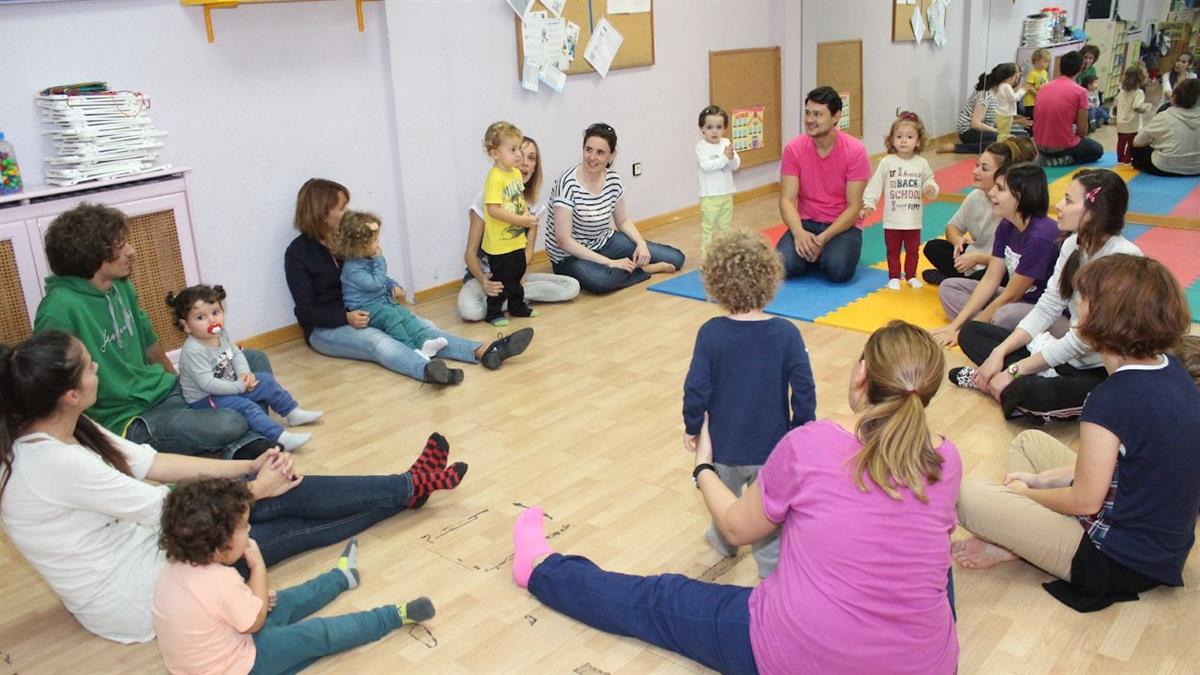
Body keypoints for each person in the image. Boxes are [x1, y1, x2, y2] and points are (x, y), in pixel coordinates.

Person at [512, 320, 960, 675]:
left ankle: (539, 568)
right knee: (931, 553)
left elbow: (734, 527)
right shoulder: (948, 458)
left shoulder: (811, 444)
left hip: (796, 656)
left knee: (659, 599)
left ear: (862, 373)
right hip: (929, 665)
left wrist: (704, 468)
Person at [0, 330, 467, 643]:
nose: (98, 369)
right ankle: (411, 487)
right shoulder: (55, 463)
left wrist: (247, 467)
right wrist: (256, 490)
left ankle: (409, 485)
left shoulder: (64, 428)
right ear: (70, 395)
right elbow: (175, 514)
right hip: (143, 594)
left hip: (150, 546)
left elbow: (155, 463)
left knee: (285, 491)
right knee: (274, 523)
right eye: (89, 367)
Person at [954, 254, 1199, 613]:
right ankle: (1019, 540)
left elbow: (1085, 501)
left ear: (1105, 316)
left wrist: (1027, 495)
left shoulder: (1111, 398)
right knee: (1029, 443)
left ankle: (1017, 541)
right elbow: (1128, 466)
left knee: (965, 495)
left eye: (1082, 300)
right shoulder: (1170, 368)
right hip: (1161, 547)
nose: (1075, 307)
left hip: (1116, 561)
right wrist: (1038, 481)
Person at [33, 203, 274, 460]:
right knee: (229, 423)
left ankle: (245, 442)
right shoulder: (58, 309)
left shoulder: (120, 285)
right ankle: (247, 440)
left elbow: (149, 342)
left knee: (254, 359)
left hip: (162, 390)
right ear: (93, 255)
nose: (131, 251)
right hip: (129, 418)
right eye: (120, 246)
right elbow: (49, 387)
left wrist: (182, 385)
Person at [152, 478, 435, 675]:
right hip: (242, 666)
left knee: (284, 600)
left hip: (216, 653)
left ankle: (342, 577)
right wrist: (257, 567)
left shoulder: (173, 570)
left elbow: (216, 612)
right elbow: (254, 622)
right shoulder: (221, 581)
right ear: (220, 542)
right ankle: (393, 616)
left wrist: (255, 598)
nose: (249, 531)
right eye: (244, 527)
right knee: (317, 634)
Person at [285, 178, 534, 385]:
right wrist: (345, 317)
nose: (347, 211)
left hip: (372, 310)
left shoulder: (349, 240)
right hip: (328, 328)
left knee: (423, 328)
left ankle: (485, 350)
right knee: (378, 342)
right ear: (322, 214)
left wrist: (391, 285)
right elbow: (306, 310)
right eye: (341, 207)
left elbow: (372, 273)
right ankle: (426, 369)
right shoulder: (298, 254)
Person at [948, 170, 1143, 423]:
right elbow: (1047, 306)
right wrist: (999, 352)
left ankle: (1006, 383)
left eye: (1068, 201)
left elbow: (1083, 340)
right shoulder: (1072, 245)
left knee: (1039, 395)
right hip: (1064, 357)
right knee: (972, 332)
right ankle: (1015, 381)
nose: (1059, 206)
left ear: (1094, 212)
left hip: (1099, 370)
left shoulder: (1123, 258)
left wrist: (1014, 369)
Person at [682, 230, 815, 578]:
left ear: (716, 282)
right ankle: (771, 571)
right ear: (769, 279)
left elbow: (696, 388)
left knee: (721, 497)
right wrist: (801, 430)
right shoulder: (786, 333)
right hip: (770, 448)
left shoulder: (710, 333)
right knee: (765, 515)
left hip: (723, 446)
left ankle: (725, 541)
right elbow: (804, 389)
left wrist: (693, 426)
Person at [168, 284, 322, 453]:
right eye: (201, 317)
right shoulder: (194, 351)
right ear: (186, 326)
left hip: (228, 383)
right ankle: (280, 438)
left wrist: (244, 373)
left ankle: (292, 413)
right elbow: (207, 384)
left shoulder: (220, 333)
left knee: (266, 381)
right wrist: (239, 387)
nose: (212, 320)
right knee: (246, 406)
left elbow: (235, 353)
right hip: (206, 397)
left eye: (215, 312)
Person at [544, 123, 685, 294]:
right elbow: (564, 241)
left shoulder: (613, 180)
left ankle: (623, 268)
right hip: (569, 256)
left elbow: (623, 220)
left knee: (676, 259)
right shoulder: (567, 184)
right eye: (588, 150)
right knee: (601, 282)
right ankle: (646, 269)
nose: (592, 157)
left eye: (600, 152)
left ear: (611, 156)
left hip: (604, 241)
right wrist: (610, 262)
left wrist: (641, 244)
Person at [930, 162, 1059, 346]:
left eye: (1000, 188)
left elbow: (1012, 295)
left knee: (1004, 315)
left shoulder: (1041, 236)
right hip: (1017, 300)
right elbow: (991, 279)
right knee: (949, 287)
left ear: (1021, 196)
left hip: (1043, 309)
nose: (991, 193)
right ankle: (987, 328)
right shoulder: (1006, 225)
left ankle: (985, 328)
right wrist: (954, 326)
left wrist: (963, 334)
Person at [459, 136, 579, 322]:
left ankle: (508, 298)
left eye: (531, 158)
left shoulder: (534, 205)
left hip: (514, 273)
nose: (524, 162)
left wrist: (518, 274)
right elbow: (470, 253)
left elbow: (528, 251)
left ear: (535, 166)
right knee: (470, 311)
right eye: (519, 154)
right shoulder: (487, 199)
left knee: (571, 287)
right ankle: (508, 298)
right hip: (484, 277)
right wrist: (484, 281)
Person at [776, 86, 871, 283]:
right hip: (806, 222)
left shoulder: (855, 151)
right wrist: (799, 233)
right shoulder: (793, 149)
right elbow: (786, 200)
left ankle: (823, 253)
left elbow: (854, 206)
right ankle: (813, 253)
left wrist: (823, 239)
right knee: (780, 264)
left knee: (838, 270)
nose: (810, 120)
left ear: (836, 116)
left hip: (842, 226)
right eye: (807, 113)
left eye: (817, 114)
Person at [332, 210, 449, 364]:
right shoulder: (352, 268)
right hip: (364, 308)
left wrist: (392, 285)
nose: (378, 244)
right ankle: (410, 349)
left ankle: (424, 341)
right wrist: (380, 260)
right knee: (390, 316)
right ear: (360, 246)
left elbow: (383, 279)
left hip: (380, 303)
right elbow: (375, 283)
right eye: (374, 240)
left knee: (403, 314)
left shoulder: (367, 259)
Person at [923, 137, 1038, 285]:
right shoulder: (976, 196)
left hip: (997, 265)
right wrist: (958, 241)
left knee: (998, 276)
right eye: (977, 165)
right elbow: (952, 227)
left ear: (1002, 174)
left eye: (984, 168)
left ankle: (956, 282)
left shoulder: (1012, 205)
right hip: (972, 259)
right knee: (933, 247)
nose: (975, 171)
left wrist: (978, 258)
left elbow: (1014, 260)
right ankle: (960, 282)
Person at [861, 112, 940, 290]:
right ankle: (894, 276)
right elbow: (875, 185)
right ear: (892, 139)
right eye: (899, 136)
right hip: (893, 219)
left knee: (913, 250)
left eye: (909, 137)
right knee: (893, 249)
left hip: (913, 219)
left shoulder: (921, 163)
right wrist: (869, 203)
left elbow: (929, 180)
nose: (904, 141)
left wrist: (930, 188)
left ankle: (911, 275)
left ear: (918, 141)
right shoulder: (887, 162)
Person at [478, 121, 539, 326]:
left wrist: (526, 216)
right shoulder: (494, 177)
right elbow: (494, 210)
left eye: (518, 149)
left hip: (516, 240)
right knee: (502, 278)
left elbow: (518, 201)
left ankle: (517, 305)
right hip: (499, 244)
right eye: (513, 150)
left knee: (517, 272)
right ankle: (494, 311)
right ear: (495, 153)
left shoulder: (515, 174)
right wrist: (522, 220)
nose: (519, 155)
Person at [1034, 51, 1105, 167]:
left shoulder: (1043, 88)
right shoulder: (1081, 92)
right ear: (1079, 69)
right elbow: (1082, 131)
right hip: (1060, 149)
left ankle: (1047, 157)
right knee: (1097, 149)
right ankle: (1063, 160)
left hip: (1039, 146)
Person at [940, 64, 1027, 154]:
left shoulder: (999, 94)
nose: (1018, 77)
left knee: (1022, 135)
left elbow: (996, 119)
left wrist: (1016, 121)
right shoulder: (985, 95)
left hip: (987, 129)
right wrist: (998, 131)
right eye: (1016, 75)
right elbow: (976, 124)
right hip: (969, 132)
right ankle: (957, 147)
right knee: (1000, 139)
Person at [695, 105, 741, 258]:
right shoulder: (701, 147)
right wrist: (724, 158)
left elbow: (735, 165)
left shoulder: (726, 143)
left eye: (719, 127)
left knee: (725, 228)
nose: (714, 131)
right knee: (709, 228)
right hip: (709, 197)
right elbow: (706, 166)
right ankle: (707, 258)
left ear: (724, 128)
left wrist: (731, 157)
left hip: (726, 194)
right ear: (702, 129)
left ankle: (724, 256)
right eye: (709, 127)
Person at [1131, 78, 1200, 177]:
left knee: (1136, 149)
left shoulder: (1164, 116)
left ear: (1174, 96)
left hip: (1166, 167)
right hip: (1197, 168)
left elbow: (1137, 142)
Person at [1114, 66, 1152, 164]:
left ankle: (1120, 159)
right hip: (1132, 124)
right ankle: (1127, 160)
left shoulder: (1122, 91)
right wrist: (1146, 108)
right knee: (1131, 143)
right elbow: (1136, 106)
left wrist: (1115, 116)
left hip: (1120, 123)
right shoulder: (1139, 92)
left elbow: (1115, 103)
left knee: (1121, 142)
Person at [994, 64, 1026, 141]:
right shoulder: (1006, 86)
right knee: (1003, 135)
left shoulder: (1003, 85)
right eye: (1016, 74)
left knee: (1003, 134)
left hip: (1003, 114)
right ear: (1009, 75)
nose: (1018, 76)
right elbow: (1014, 98)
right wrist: (1022, 91)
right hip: (1004, 115)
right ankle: (1001, 146)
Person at [1023, 49, 1052, 119]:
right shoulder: (1033, 73)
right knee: (1031, 120)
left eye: (1048, 61)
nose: (1048, 63)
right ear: (1037, 61)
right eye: (1045, 61)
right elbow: (1029, 86)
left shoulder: (1045, 72)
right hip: (1031, 103)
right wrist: (1038, 94)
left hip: (1039, 101)